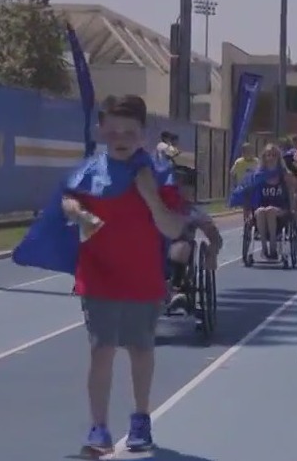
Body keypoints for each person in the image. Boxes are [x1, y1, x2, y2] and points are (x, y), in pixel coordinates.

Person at [62, 95, 189, 456]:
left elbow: (172, 228)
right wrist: (75, 211)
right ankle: (98, 428)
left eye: (129, 131)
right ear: (101, 130)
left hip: (142, 277)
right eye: (113, 129)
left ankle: (140, 419)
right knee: (101, 350)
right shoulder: (89, 171)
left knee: (140, 349)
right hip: (98, 274)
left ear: (142, 135)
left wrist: (149, 195)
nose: (120, 136)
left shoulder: (158, 173)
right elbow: (67, 200)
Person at [165, 166, 223, 319]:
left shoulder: (192, 212)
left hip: (178, 249)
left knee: (182, 247)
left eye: (184, 186)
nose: (180, 189)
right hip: (150, 250)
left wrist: (213, 251)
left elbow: (214, 236)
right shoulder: (153, 206)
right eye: (176, 185)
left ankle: (176, 290)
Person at [249, 144, 297, 259]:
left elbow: (292, 192)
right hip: (261, 209)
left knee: (270, 210)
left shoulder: (284, 175)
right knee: (262, 211)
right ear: (264, 157)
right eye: (268, 155)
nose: (270, 158)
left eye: (273, 155)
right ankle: (264, 247)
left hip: (280, 210)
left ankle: (273, 246)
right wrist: (247, 210)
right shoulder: (258, 175)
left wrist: (293, 209)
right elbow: (250, 194)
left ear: (278, 158)